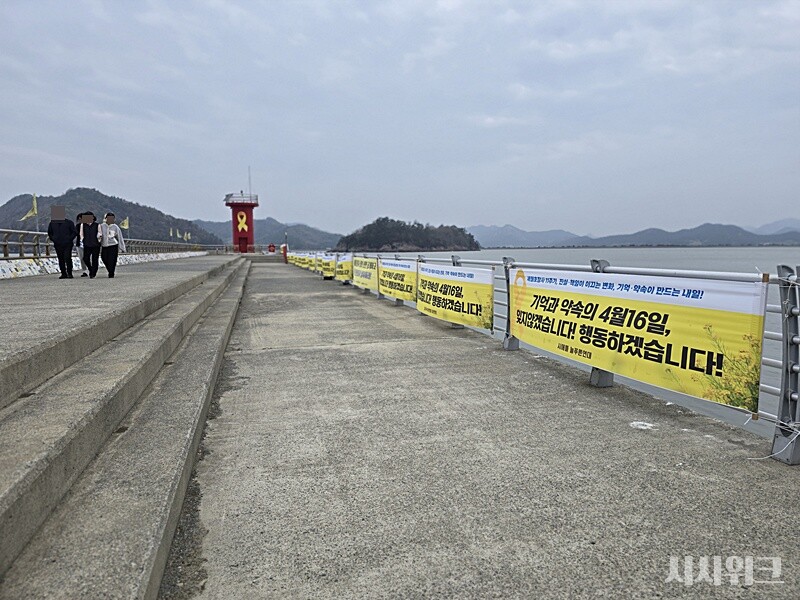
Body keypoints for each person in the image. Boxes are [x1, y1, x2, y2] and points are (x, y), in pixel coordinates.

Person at [47, 210, 76, 279]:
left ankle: (69, 273)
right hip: (57, 244)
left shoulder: (69, 222)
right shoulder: (52, 223)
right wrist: (54, 239)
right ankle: (63, 273)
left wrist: (69, 239)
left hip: (67, 244)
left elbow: (74, 232)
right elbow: (50, 233)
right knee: (60, 258)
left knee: (67, 257)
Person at [99, 212, 126, 278]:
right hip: (104, 245)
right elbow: (98, 235)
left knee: (112, 260)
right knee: (104, 258)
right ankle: (110, 270)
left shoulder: (115, 227)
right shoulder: (102, 226)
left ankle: (111, 272)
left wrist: (122, 248)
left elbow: (120, 237)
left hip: (113, 245)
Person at [79, 212, 101, 278]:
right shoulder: (83, 225)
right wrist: (83, 240)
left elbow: (100, 233)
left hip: (95, 245)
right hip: (87, 244)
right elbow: (81, 234)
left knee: (95, 259)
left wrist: (99, 239)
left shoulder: (97, 225)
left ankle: (93, 273)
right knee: (85, 258)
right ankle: (90, 269)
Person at [74, 212, 89, 277]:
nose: (80, 220)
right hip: (79, 244)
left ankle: (90, 269)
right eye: (79, 219)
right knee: (81, 258)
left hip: (88, 244)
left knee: (88, 258)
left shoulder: (89, 226)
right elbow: (75, 233)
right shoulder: (77, 226)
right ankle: (84, 271)